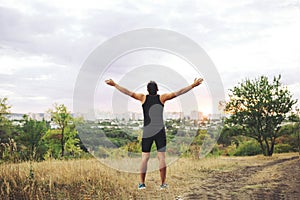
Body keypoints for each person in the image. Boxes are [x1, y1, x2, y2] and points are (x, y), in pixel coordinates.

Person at [105, 78, 203, 190]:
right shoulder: (162, 98)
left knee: (144, 158)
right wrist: (193, 85)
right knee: (161, 158)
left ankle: (142, 184)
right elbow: (178, 92)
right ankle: (163, 184)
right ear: (157, 89)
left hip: (147, 131)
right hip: (160, 131)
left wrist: (114, 84)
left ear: (147, 90)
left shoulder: (142, 98)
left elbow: (127, 92)